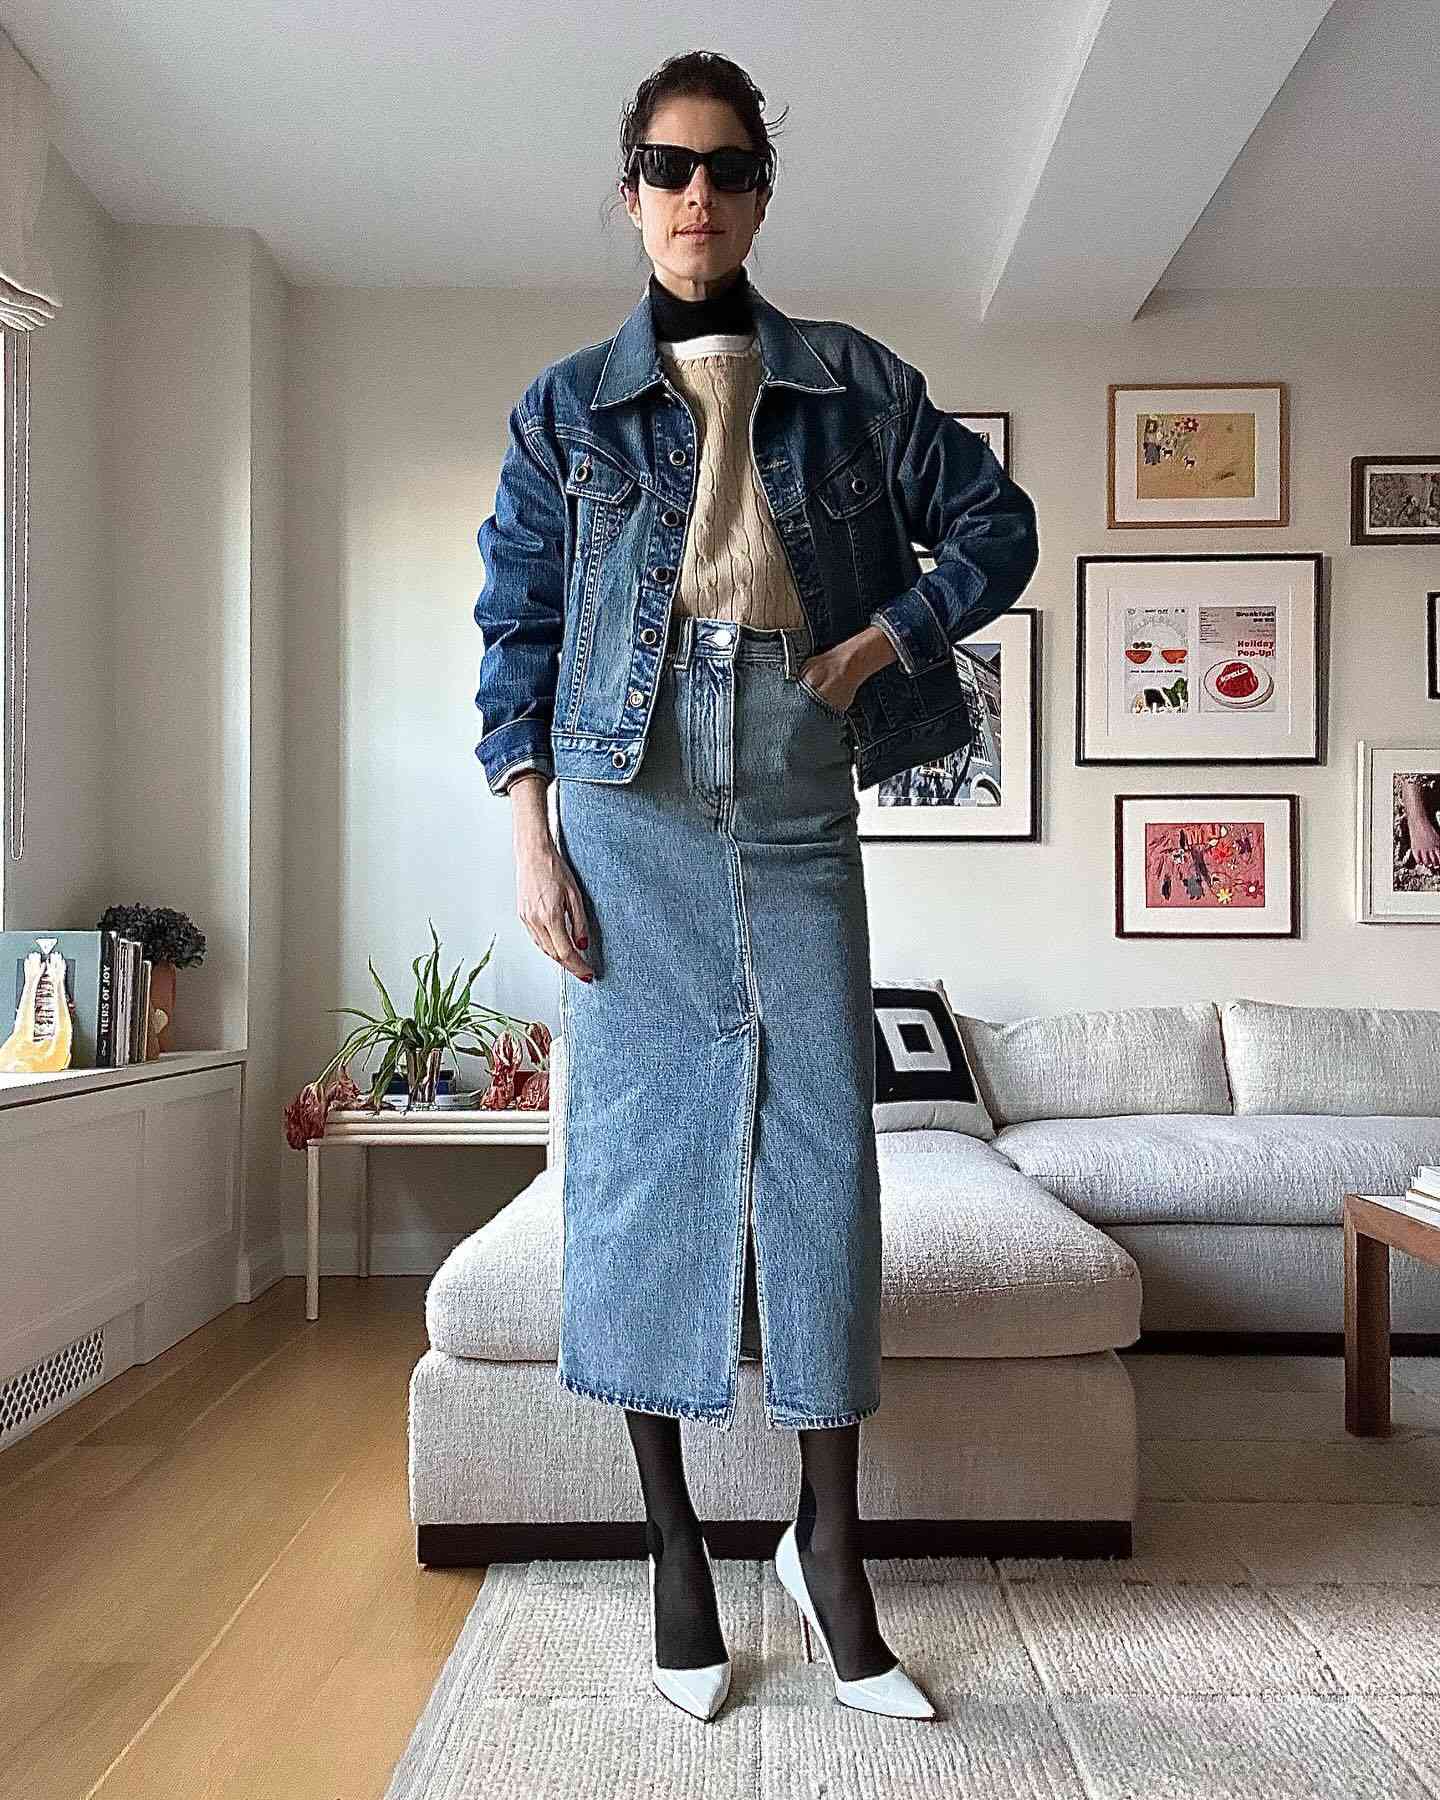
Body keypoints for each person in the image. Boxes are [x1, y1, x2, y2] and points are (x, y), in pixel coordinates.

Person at [473, 50, 1040, 1724]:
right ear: (632, 190)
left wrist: (890, 636)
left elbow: (995, 526)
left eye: (723, 169)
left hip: (793, 784)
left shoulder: (855, 383)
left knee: (820, 1160)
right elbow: (514, 632)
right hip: (623, 792)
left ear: (762, 191)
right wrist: (532, 841)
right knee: (643, 1161)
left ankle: (827, 1545)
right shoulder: (567, 409)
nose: (695, 197)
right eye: (664, 169)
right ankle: (674, 1551)